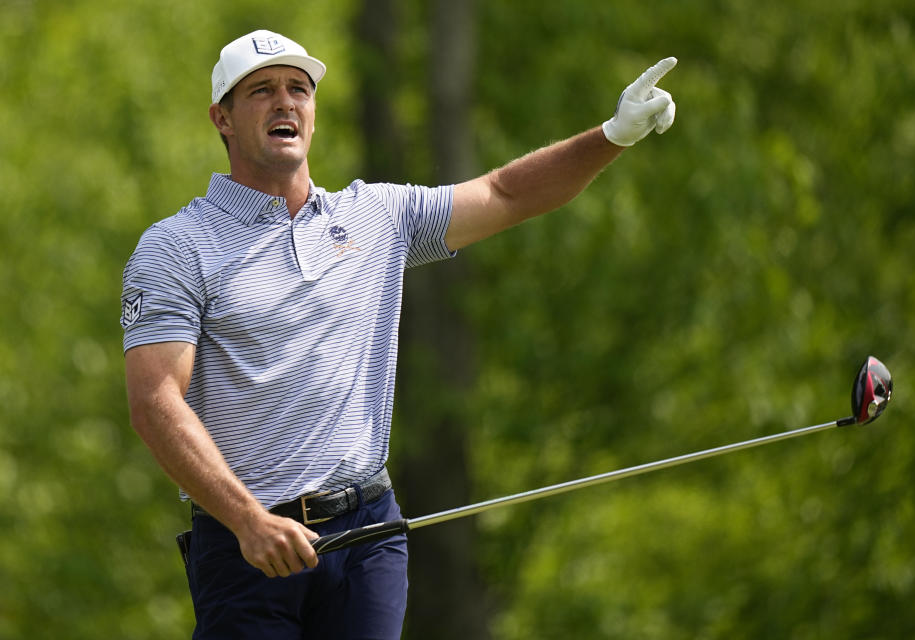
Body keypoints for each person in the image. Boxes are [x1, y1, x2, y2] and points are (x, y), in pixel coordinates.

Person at [121, 28, 676, 640]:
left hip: (367, 537)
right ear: (221, 118)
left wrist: (611, 137)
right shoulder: (176, 247)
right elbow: (154, 402)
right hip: (246, 546)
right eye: (261, 91)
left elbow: (505, 193)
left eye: (298, 89)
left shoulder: (376, 216)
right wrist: (248, 520)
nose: (285, 102)